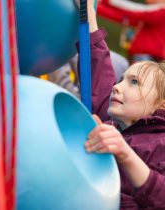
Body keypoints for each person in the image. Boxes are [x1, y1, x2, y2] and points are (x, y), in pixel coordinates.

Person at [74, 0, 165, 209]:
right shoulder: (112, 123)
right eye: (121, 79)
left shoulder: (161, 142)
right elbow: (99, 69)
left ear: (160, 104)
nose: (117, 87)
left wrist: (124, 152)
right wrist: (87, 9)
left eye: (134, 83)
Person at [97, 0, 165, 63]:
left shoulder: (161, 11)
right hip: (145, 56)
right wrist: (96, 8)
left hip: (146, 55)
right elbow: (124, 18)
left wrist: (107, 1)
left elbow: (133, 10)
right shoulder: (152, 13)